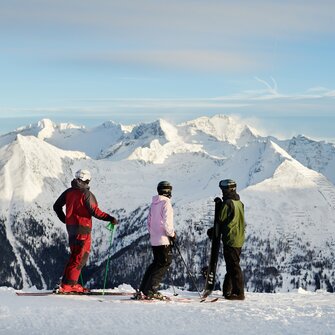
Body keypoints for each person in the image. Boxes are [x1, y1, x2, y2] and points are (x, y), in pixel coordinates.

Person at [53, 169, 118, 293]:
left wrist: (65, 219)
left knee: (74, 256)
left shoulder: (68, 192)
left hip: (71, 229)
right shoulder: (86, 194)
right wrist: (110, 218)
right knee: (80, 257)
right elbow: (95, 211)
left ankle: (66, 283)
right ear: (87, 180)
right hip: (83, 229)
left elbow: (56, 206)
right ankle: (69, 285)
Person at [136, 181, 176, 300]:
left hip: (154, 239)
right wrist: (172, 234)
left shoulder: (154, 203)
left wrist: (153, 233)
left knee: (156, 264)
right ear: (168, 191)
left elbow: (148, 222)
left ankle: (144, 288)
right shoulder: (166, 203)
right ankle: (151, 290)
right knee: (164, 262)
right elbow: (167, 223)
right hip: (163, 239)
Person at [208, 179, 245, 300]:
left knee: (233, 266)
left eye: (224, 190)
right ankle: (228, 290)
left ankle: (238, 293)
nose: (223, 192)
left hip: (231, 238)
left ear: (229, 190)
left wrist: (219, 205)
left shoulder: (228, 203)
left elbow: (220, 219)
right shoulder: (239, 203)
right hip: (238, 238)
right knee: (232, 265)